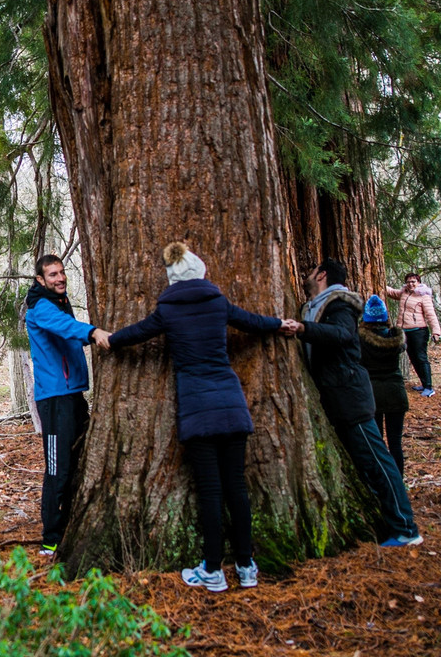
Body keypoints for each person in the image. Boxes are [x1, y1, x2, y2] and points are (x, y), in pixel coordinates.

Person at [107, 242, 293, 592]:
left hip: (197, 409)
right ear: (200, 271)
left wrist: (110, 340)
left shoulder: (168, 310)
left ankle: (212, 569)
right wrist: (279, 324)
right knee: (236, 488)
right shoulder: (217, 302)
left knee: (211, 491)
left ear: (172, 277)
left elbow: (137, 333)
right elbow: (251, 322)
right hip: (231, 402)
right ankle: (246, 565)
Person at [284, 259, 422, 547]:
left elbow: (342, 334)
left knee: (377, 461)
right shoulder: (316, 305)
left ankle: (406, 528)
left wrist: (301, 329)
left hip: (349, 395)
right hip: (336, 396)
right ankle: (389, 522)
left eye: (310, 272)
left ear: (321, 275)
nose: (306, 277)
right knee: (363, 465)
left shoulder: (339, 304)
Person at [25, 254, 111, 557]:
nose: (60, 278)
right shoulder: (40, 307)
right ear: (40, 280)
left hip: (72, 394)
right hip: (54, 399)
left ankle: (70, 523)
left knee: (76, 462)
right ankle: (50, 538)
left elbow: (67, 332)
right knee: (56, 468)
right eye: (52, 274)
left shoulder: (58, 302)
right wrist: (92, 332)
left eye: (61, 272)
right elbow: (64, 327)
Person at [359, 295, 409, 474]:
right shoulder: (395, 338)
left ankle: (382, 480)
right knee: (395, 442)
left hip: (372, 394)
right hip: (396, 392)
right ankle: (399, 480)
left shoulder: (360, 340)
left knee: (377, 442)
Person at [385, 272, 439, 397]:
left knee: (421, 358)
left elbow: (431, 315)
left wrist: (436, 331)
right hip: (405, 331)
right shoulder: (404, 293)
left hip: (419, 331)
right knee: (413, 358)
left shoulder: (423, 296)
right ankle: (423, 383)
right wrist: (380, 281)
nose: (411, 284)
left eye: (413, 282)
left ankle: (429, 387)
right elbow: (392, 292)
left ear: (418, 282)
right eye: (408, 282)